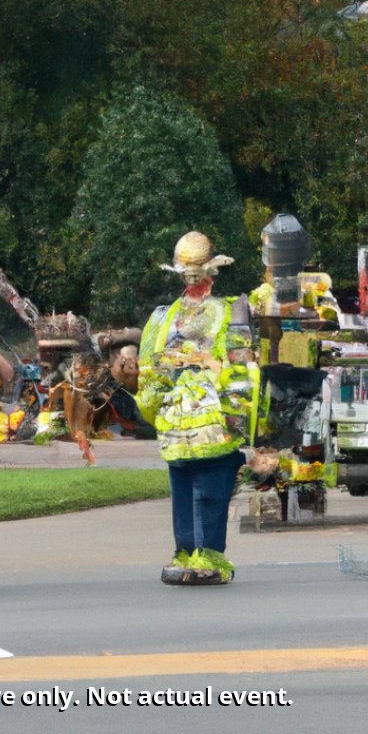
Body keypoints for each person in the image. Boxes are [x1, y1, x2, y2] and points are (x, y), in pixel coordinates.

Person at [135, 231, 260, 585]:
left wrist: (235, 412)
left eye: (198, 274)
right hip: (177, 420)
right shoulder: (163, 317)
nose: (193, 282)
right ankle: (186, 550)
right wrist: (154, 404)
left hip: (213, 416)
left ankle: (209, 554)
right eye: (187, 274)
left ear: (211, 273)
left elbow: (240, 366)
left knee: (211, 485)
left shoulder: (229, 311)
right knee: (183, 485)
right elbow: (151, 368)